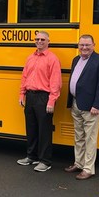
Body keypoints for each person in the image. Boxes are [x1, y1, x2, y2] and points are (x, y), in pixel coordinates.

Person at [64, 34, 99, 180]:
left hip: (91, 107)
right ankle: (78, 163)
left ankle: (88, 169)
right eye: (81, 45)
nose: (84, 48)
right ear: (78, 46)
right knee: (78, 136)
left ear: (93, 45)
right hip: (76, 103)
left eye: (87, 45)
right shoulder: (76, 59)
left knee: (90, 138)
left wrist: (97, 105)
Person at [17, 31, 62, 172]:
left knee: (44, 130)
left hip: (44, 97)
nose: (39, 41)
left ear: (48, 41)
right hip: (30, 96)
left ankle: (45, 161)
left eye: (42, 39)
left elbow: (56, 81)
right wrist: (21, 94)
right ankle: (31, 156)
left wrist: (52, 101)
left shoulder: (52, 59)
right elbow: (25, 76)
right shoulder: (30, 57)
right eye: (37, 39)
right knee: (31, 128)